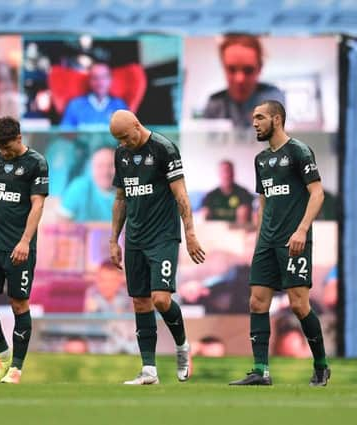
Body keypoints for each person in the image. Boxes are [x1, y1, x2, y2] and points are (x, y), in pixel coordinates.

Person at [229, 100, 330, 386]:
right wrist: (259, 238)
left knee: (299, 305)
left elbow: (317, 193)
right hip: (267, 243)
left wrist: (301, 231)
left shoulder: (298, 151)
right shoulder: (261, 160)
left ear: (277, 119)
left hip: (294, 241)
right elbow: (263, 201)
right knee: (257, 302)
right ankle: (260, 371)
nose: (255, 123)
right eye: (253, 118)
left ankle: (321, 366)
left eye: (260, 117)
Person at [109, 109, 206, 385]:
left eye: (126, 137)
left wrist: (190, 235)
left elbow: (181, 195)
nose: (124, 143)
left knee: (161, 299)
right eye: (119, 140)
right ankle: (149, 370)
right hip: (135, 239)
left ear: (138, 126)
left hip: (163, 237)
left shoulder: (164, 149)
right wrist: (113, 239)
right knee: (140, 302)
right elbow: (121, 198)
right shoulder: (122, 154)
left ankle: (182, 346)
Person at [0, 116, 49, 384]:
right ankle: (3, 354)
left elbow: (37, 205)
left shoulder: (36, 163)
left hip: (19, 246)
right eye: (0, 147)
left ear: (19, 137)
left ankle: (16, 368)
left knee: (18, 303)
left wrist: (25, 241)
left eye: (7, 147)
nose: (4, 152)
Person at [203, 34, 285, 128]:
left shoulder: (273, 98)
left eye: (248, 70)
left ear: (259, 68)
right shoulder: (215, 103)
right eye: (232, 69)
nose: (240, 79)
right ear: (223, 67)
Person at [60, 62, 128, 129]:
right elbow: (64, 134)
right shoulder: (75, 105)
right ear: (89, 81)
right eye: (95, 78)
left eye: (104, 77)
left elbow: (128, 135)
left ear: (110, 80)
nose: (100, 82)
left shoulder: (119, 105)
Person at [58, 146, 115, 222]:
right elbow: (62, 222)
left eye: (111, 165)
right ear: (91, 168)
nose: (105, 172)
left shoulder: (131, 190)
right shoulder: (79, 187)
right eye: (100, 166)